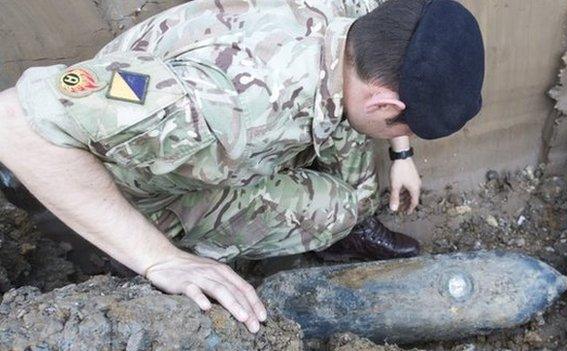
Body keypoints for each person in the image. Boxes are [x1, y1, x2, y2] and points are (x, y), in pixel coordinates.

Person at [0, 0, 483, 333]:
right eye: (407, 125)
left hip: (232, 124)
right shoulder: (214, 110)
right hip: (132, 176)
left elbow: (396, 65)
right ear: (384, 103)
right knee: (334, 208)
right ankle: (123, 250)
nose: (406, 135)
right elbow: (12, 122)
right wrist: (156, 259)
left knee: (354, 183)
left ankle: (349, 223)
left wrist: (400, 152)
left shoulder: (359, 18)